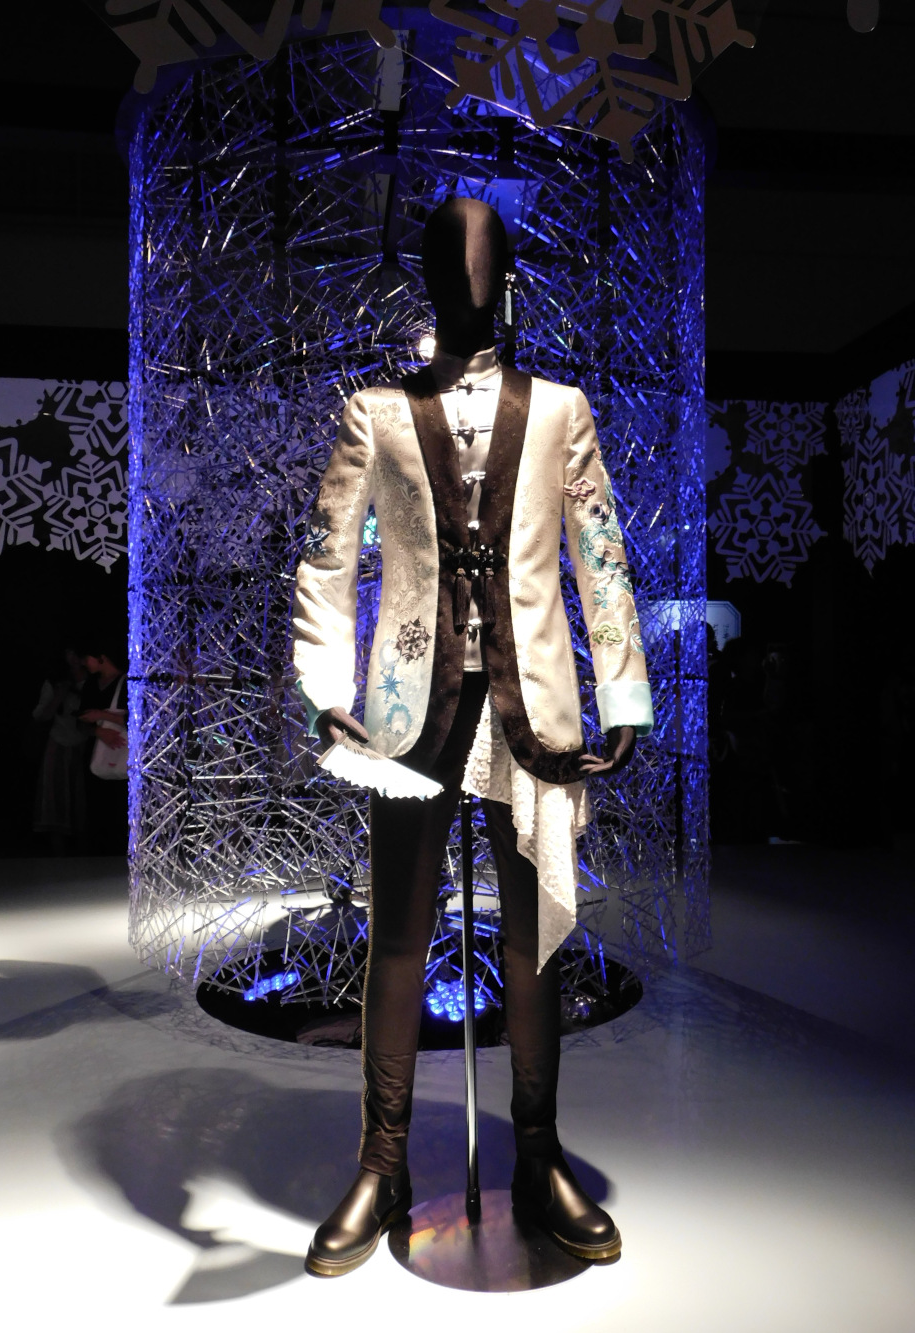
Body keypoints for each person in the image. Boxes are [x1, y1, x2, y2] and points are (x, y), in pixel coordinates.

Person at [293, 198, 653, 1275]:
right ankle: (383, 1162)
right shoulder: (374, 413)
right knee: (399, 938)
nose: (470, 285)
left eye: (484, 267)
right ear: (430, 283)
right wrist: (324, 685)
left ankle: (537, 1155)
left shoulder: (561, 410)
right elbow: (328, 556)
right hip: (408, 709)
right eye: (453, 270)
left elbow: (599, 552)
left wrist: (624, 694)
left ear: (506, 281)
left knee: (533, 936)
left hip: (532, 701)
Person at [32, 647, 88, 853]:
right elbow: (40, 715)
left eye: (76, 653)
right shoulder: (56, 682)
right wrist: (59, 695)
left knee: (80, 799)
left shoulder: (92, 680)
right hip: (59, 743)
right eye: (68, 653)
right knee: (56, 796)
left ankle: (85, 851)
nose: (73, 658)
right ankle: (59, 852)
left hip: (86, 745)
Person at [78, 639, 129, 856]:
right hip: (95, 752)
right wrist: (98, 731)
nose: (84, 663)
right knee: (97, 807)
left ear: (102, 657)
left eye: (87, 658)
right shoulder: (91, 684)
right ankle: (98, 854)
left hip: (120, 751)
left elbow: (138, 720)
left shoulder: (127, 682)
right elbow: (79, 720)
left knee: (120, 806)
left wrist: (102, 716)